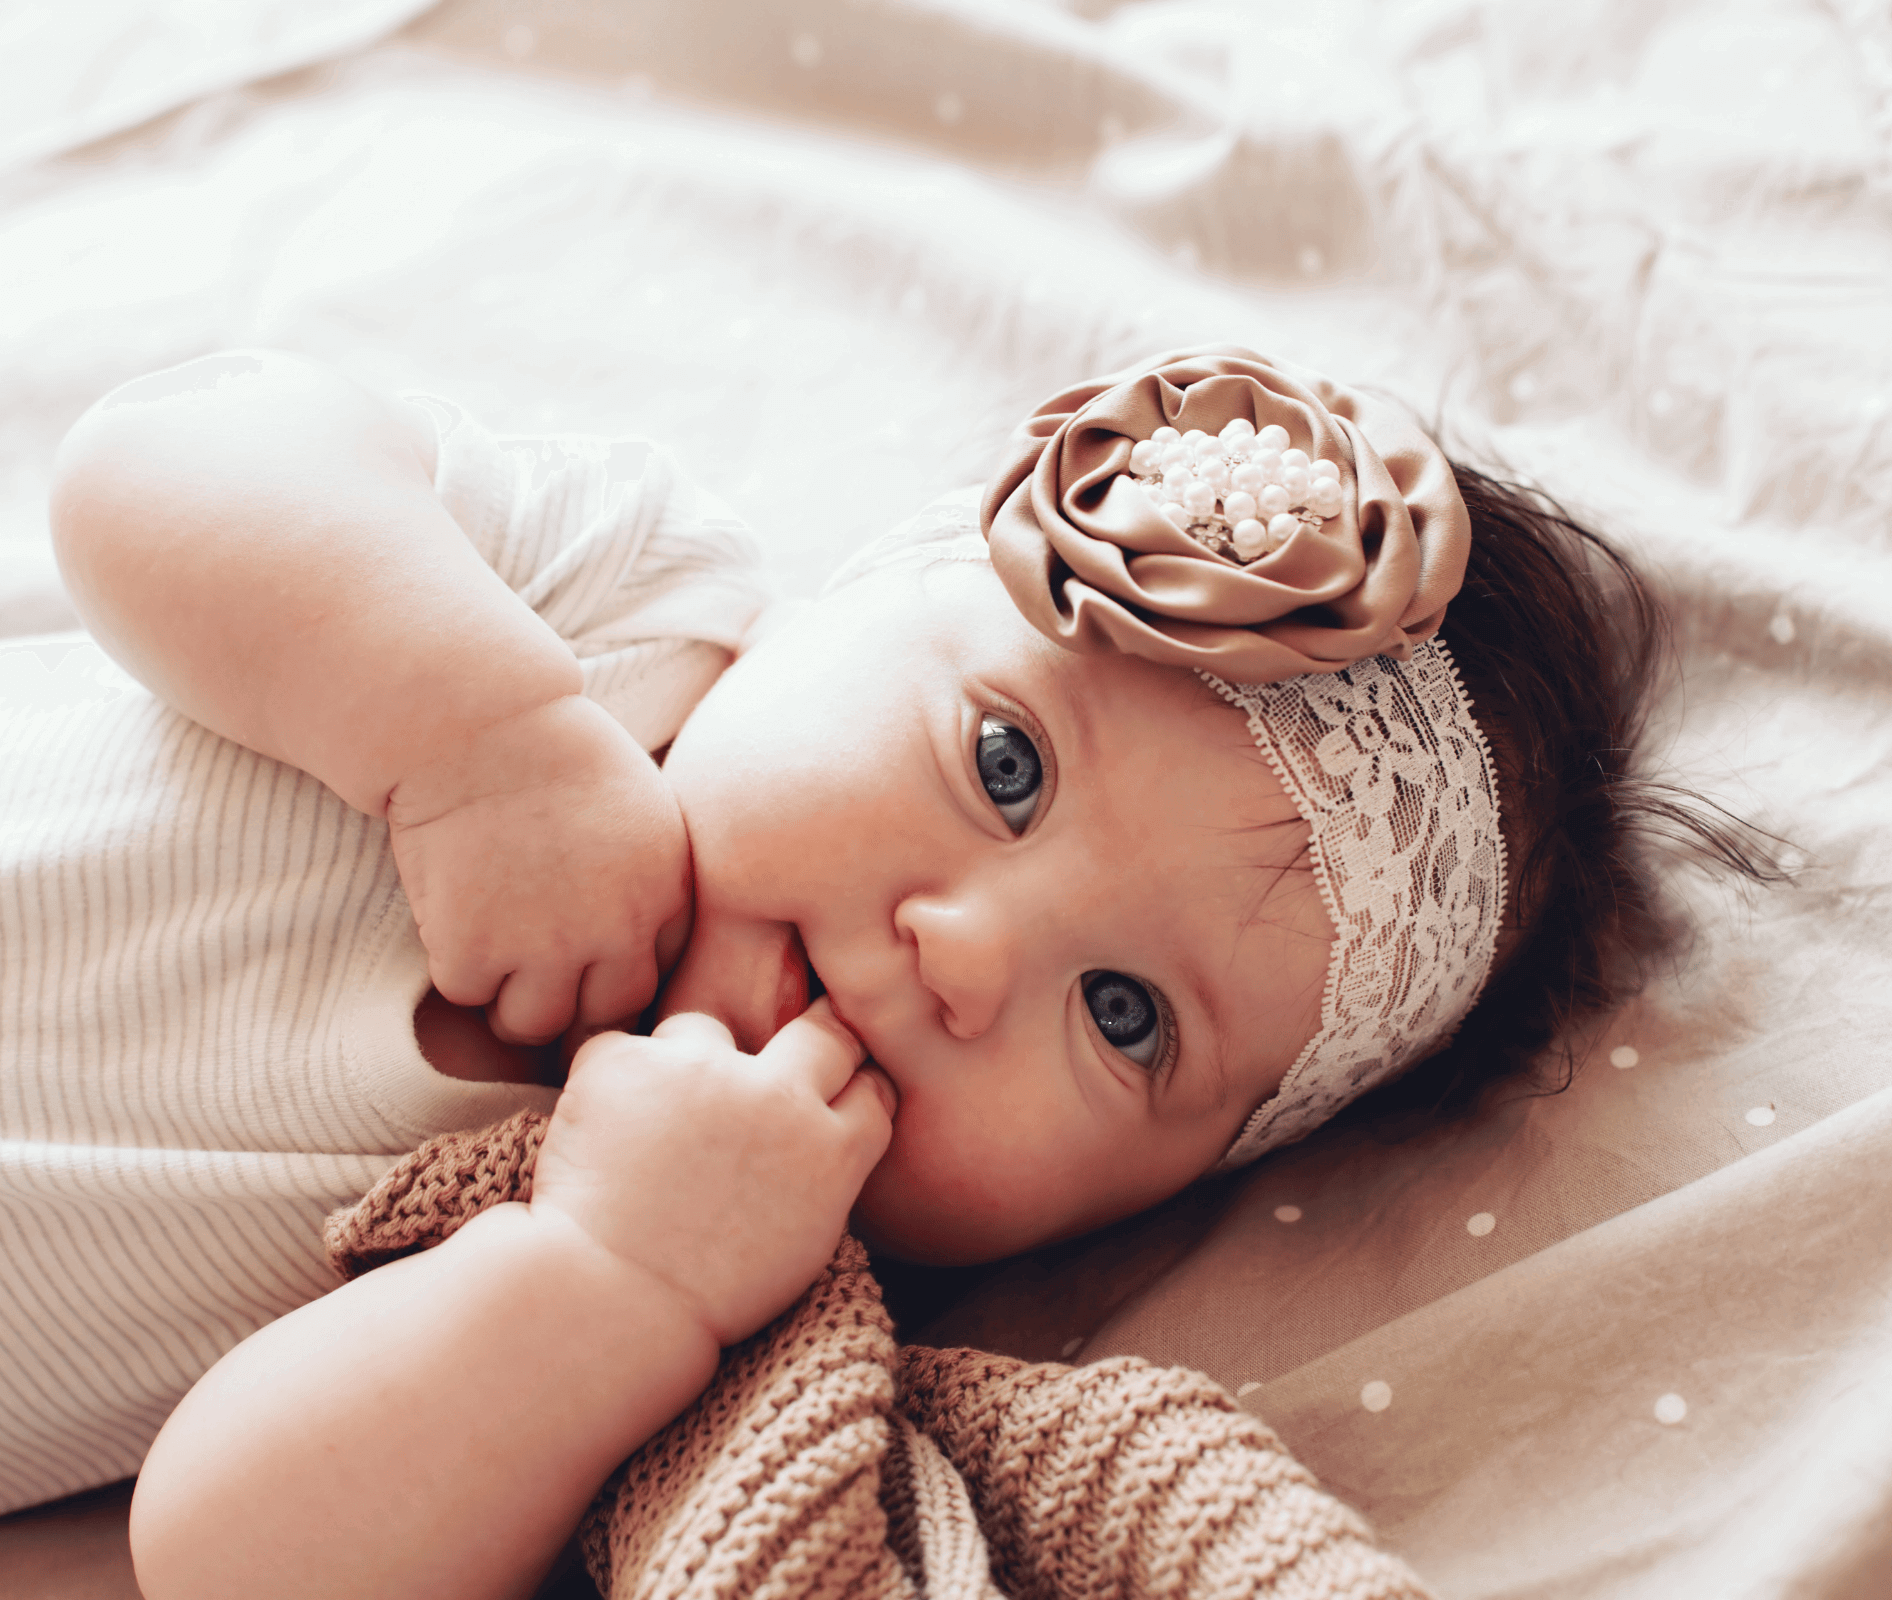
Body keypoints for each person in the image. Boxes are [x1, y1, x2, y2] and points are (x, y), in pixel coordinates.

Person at [0, 345, 1756, 1598]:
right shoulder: (604, 612)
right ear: (848, 600)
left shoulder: (717, 1313)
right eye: (1005, 766)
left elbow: (229, 1556)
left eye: (1123, 1017)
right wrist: (477, 737)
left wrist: (611, 1277)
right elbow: (156, 460)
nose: (967, 959)